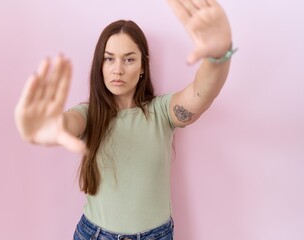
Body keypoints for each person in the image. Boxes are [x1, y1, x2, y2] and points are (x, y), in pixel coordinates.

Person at [14, 0, 235, 239]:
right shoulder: (88, 114)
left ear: (142, 66)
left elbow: (201, 94)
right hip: (94, 234)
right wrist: (52, 125)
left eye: (128, 59)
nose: (117, 69)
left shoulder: (161, 111)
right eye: (109, 59)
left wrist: (218, 56)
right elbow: (68, 124)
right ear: (100, 64)